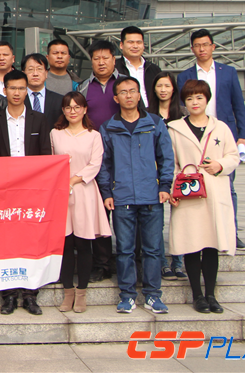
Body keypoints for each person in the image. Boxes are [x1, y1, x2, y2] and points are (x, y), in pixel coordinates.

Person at [96, 76, 175, 315]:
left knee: (152, 249)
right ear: (116, 98)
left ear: (140, 95)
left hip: (152, 196)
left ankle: (153, 295)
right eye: (123, 92)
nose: (128, 96)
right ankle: (127, 295)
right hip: (122, 198)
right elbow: (104, 164)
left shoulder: (154, 123)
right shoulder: (108, 127)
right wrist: (107, 192)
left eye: (132, 91)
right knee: (125, 250)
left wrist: (165, 186)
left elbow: (166, 157)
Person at [167, 80, 240, 314]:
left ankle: (211, 294)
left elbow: (233, 155)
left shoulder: (221, 128)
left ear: (207, 99)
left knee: (210, 244)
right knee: (191, 242)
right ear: (184, 102)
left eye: (199, 97)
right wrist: (172, 189)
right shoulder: (175, 129)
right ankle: (197, 295)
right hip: (188, 193)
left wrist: (220, 164)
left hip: (214, 191)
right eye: (189, 99)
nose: (195, 102)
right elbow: (170, 162)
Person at [177, 29, 245, 251]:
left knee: (227, 185)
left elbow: (239, 106)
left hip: (221, 135)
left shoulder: (228, 72)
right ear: (192, 49)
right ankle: (201, 233)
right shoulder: (184, 76)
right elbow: (181, 107)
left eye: (205, 44)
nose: (202, 49)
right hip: (195, 135)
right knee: (195, 183)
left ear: (213, 47)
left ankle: (231, 232)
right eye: (197, 45)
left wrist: (243, 136)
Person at [0, 69, 50, 316]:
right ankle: (9, 296)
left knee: (31, 242)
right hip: (3, 190)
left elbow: (46, 155)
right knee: (5, 242)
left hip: (31, 190)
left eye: (21, 88)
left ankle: (30, 295)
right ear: (4, 90)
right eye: (12, 88)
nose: (17, 93)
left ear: (27, 91)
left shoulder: (40, 119)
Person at [50, 92, 110, 314]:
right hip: (61, 193)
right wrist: (62, 182)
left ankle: (82, 292)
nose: (72, 111)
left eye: (77, 107)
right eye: (68, 107)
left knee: (84, 243)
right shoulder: (55, 134)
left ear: (85, 110)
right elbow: (51, 161)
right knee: (65, 244)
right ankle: (68, 292)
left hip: (85, 191)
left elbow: (95, 164)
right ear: (63, 110)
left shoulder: (94, 136)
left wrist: (73, 180)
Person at [77, 39, 120, 282]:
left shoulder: (124, 85)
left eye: (105, 57)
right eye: (96, 58)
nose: (101, 62)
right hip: (94, 157)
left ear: (114, 59)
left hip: (121, 156)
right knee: (99, 211)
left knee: (123, 210)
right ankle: (102, 263)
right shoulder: (84, 87)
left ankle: (127, 260)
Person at [147, 72, 189, 281]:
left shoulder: (183, 113)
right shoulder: (147, 114)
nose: (163, 90)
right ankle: (163, 263)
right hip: (154, 173)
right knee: (157, 222)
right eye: (159, 86)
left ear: (174, 89)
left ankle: (178, 262)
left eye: (167, 86)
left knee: (179, 219)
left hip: (180, 172)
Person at [115, 26, 161, 108]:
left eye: (139, 42)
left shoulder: (154, 69)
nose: (135, 46)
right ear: (121, 45)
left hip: (152, 113)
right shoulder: (114, 69)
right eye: (131, 42)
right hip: (125, 113)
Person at [22, 53, 64, 122]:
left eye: (39, 69)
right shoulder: (17, 99)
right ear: (23, 74)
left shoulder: (60, 100)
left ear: (46, 73)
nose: (35, 74)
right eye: (31, 69)